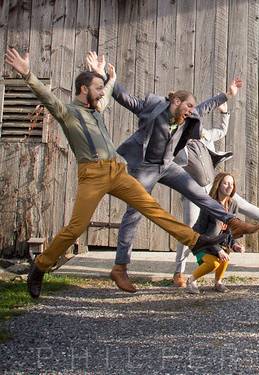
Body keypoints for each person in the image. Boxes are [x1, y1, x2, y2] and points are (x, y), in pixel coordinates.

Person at [4, 48, 225, 299]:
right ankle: (41, 266)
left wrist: (106, 77)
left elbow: (109, 93)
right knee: (76, 227)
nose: (101, 92)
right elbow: (46, 98)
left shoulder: (97, 109)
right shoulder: (67, 112)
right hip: (92, 175)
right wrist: (27, 74)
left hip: (117, 171)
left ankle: (196, 240)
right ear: (84, 89)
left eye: (101, 88)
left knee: (150, 207)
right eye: (96, 88)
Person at [84, 53, 259, 293]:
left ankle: (233, 222)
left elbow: (206, 106)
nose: (191, 111)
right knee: (134, 213)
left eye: (192, 108)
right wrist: (102, 74)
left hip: (167, 165)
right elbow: (124, 98)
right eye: (188, 105)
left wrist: (227, 94)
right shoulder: (152, 107)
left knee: (200, 194)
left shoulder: (188, 115)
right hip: (146, 167)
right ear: (176, 101)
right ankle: (120, 267)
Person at [172, 102, 259, 287]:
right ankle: (178, 273)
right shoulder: (176, 142)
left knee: (244, 206)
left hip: (212, 187)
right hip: (192, 189)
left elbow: (221, 131)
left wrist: (225, 112)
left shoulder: (204, 135)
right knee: (189, 229)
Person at [186, 173, 244, 294]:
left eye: (232, 184)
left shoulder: (233, 204)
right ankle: (191, 280)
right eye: (226, 183)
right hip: (201, 241)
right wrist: (218, 250)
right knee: (213, 263)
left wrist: (234, 245)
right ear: (218, 185)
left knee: (225, 258)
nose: (229, 187)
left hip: (218, 242)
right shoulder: (209, 204)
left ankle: (218, 283)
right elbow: (204, 233)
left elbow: (230, 229)